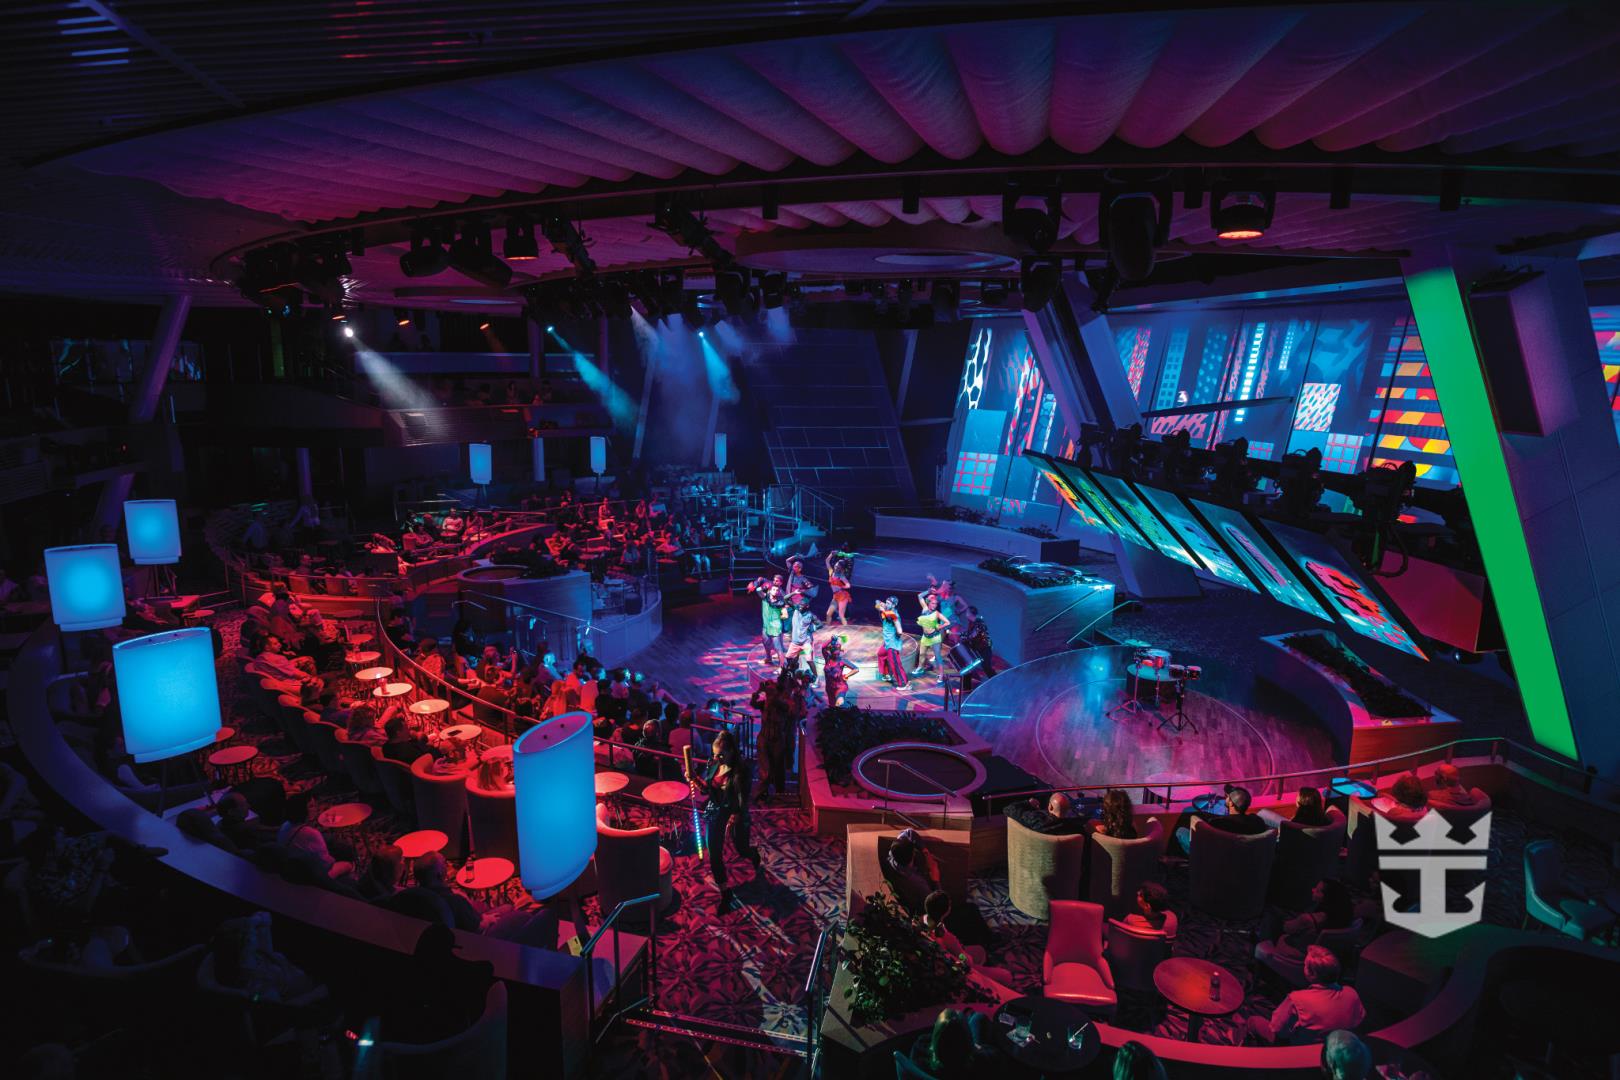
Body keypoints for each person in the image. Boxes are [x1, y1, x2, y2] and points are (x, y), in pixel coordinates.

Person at [686, 729, 760, 915]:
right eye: (713, 754)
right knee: (714, 854)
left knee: (741, 849)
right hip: (715, 812)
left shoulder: (741, 772)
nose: (715, 758)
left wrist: (734, 818)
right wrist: (694, 777)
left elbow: (743, 801)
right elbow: (707, 791)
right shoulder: (714, 764)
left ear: (731, 752)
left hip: (735, 815)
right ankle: (725, 892)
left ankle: (753, 854)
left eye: (720, 754)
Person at [1247, 946, 1365, 1045]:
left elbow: (1277, 1030)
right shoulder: (1352, 993)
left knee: (1253, 1021)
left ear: (1311, 974)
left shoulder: (1297, 999)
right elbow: (1359, 1021)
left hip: (1299, 1050)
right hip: (1337, 1046)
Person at [922, 890, 1015, 987]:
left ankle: (989, 963)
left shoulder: (923, 921)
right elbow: (965, 960)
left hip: (948, 961)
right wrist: (963, 953)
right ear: (947, 910)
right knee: (1007, 976)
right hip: (959, 969)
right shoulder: (945, 936)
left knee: (980, 950)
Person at [1256, 878, 1355, 967]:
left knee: (1270, 914)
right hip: (1322, 954)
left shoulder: (1308, 919)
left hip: (1299, 954)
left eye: (1317, 890)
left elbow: (1287, 928)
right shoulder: (1342, 915)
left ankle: (1260, 954)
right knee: (1279, 913)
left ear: (1326, 897)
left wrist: (1288, 921)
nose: (1313, 890)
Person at [1176, 784, 1270, 854]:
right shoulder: (1257, 821)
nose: (1226, 798)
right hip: (1242, 859)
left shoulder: (1218, 823)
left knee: (1181, 831)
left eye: (1228, 797)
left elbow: (1205, 838)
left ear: (1231, 803)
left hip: (1212, 855)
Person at [908, 1008, 996, 1080]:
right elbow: (993, 1055)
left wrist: (947, 1031)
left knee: (975, 1018)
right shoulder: (977, 1065)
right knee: (979, 1018)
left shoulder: (919, 1050)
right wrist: (976, 1047)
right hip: (971, 1054)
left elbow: (938, 1039)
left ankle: (964, 1023)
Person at [1006, 791, 1091, 836]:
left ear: (1050, 807)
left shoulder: (1036, 820)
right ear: (1068, 809)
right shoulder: (1077, 828)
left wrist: (1028, 803)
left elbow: (1008, 809)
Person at [748, 576, 788, 666]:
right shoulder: (765, 597)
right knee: (765, 643)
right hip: (766, 626)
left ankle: (782, 666)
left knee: (778, 648)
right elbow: (758, 589)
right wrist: (755, 584)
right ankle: (768, 658)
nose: (775, 591)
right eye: (773, 589)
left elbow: (780, 606)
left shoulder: (779, 602)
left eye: (777, 590)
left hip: (775, 627)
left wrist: (784, 611)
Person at [958, 605, 996, 691]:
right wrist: (962, 635)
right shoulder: (971, 623)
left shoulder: (979, 622)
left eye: (967, 612)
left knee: (986, 667)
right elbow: (969, 634)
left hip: (985, 648)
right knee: (968, 666)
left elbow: (973, 635)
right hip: (977, 648)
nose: (965, 613)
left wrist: (965, 637)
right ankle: (966, 687)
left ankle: (996, 681)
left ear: (970, 614)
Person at [874, 596, 909, 688]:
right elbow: (877, 602)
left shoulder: (893, 614)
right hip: (887, 642)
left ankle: (904, 684)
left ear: (894, 605)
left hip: (892, 644)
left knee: (896, 665)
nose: (887, 604)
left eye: (889, 603)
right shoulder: (887, 610)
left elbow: (900, 630)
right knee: (881, 654)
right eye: (887, 602)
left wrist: (897, 634)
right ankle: (887, 674)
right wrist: (881, 605)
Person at [912, 591, 949, 677]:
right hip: (925, 637)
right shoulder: (924, 608)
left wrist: (940, 627)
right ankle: (920, 667)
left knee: (937, 656)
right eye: (933, 603)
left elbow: (947, 622)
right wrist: (929, 591)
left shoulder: (937, 613)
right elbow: (919, 596)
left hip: (935, 637)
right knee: (922, 654)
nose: (934, 605)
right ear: (928, 602)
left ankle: (941, 675)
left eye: (936, 604)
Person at [821, 635, 857, 707]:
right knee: (832, 707)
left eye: (838, 653)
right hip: (829, 687)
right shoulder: (827, 659)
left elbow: (856, 669)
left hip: (840, 686)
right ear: (831, 653)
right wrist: (831, 640)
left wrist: (846, 675)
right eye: (835, 654)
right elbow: (823, 647)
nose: (837, 655)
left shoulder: (842, 661)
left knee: (839, 704)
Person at [824, 552, 853, 626]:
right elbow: (827, 561)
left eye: (838, 567)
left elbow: (848, 585)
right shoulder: (831, 572)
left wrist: (842, 587)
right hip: (835, 596)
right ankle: (827, 628)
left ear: (841, 569)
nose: (836, 567)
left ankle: (846, 630)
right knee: (828, 613)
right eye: (836, 566)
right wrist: (831, 554)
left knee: (841, 615)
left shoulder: (841, 576)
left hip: (842, 596)